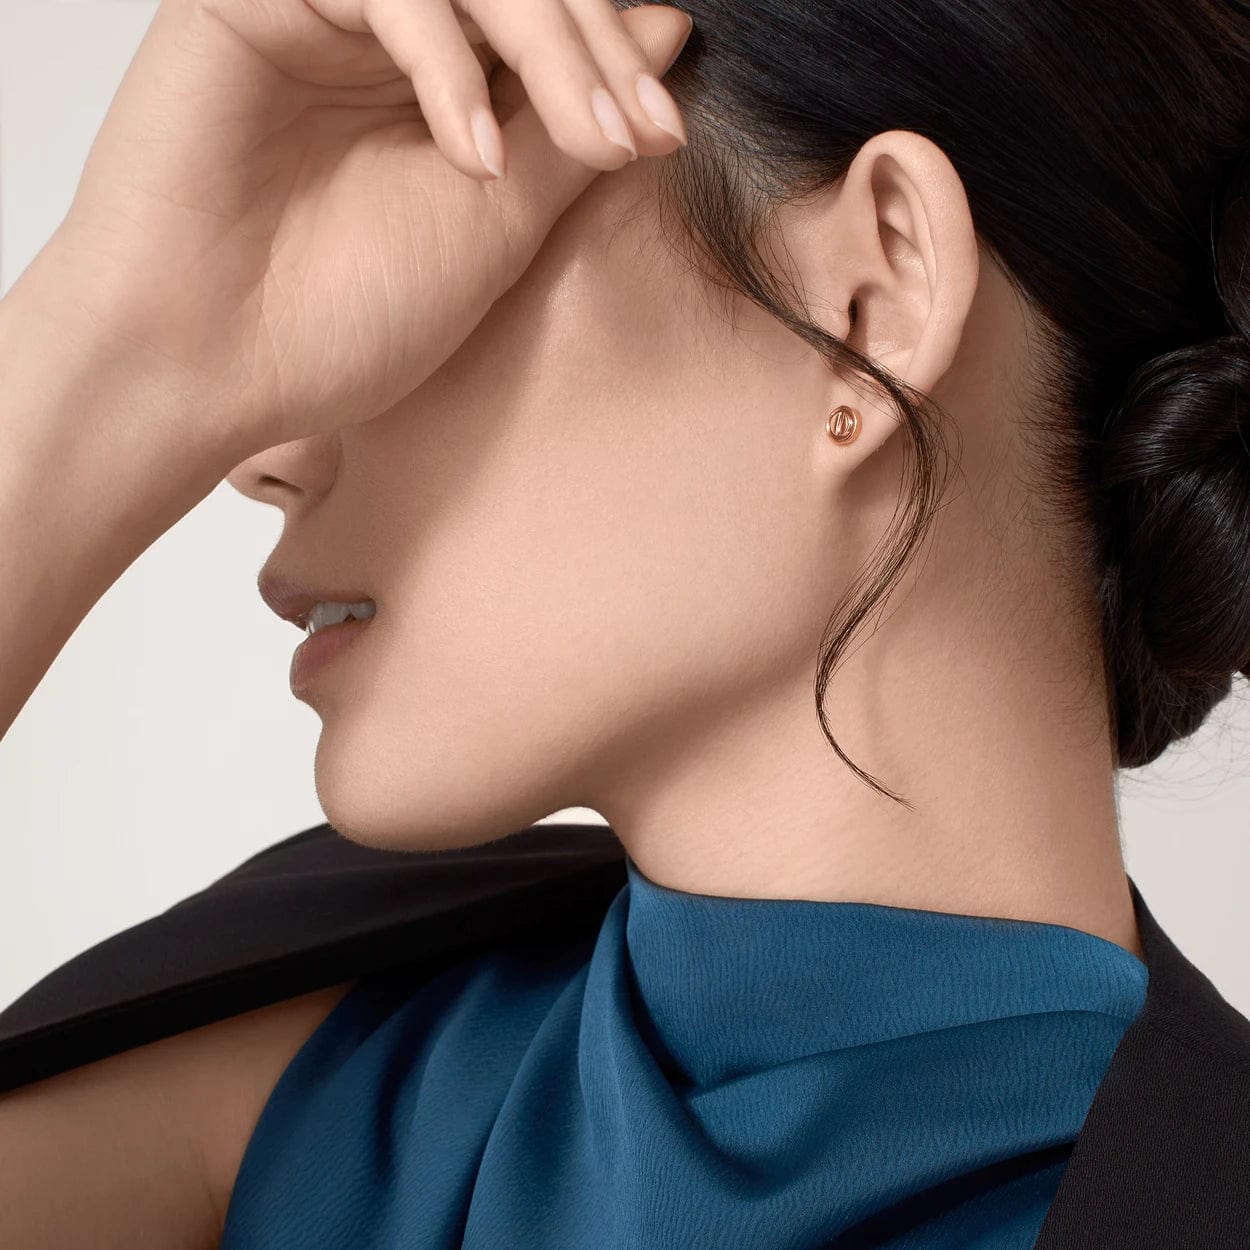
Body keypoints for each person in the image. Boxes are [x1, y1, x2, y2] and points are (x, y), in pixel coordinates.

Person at [0, 0, 1248, 1245]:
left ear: (865, 306)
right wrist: (123, 347)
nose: (260, 451)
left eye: (460, 195)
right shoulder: (313, 1055)